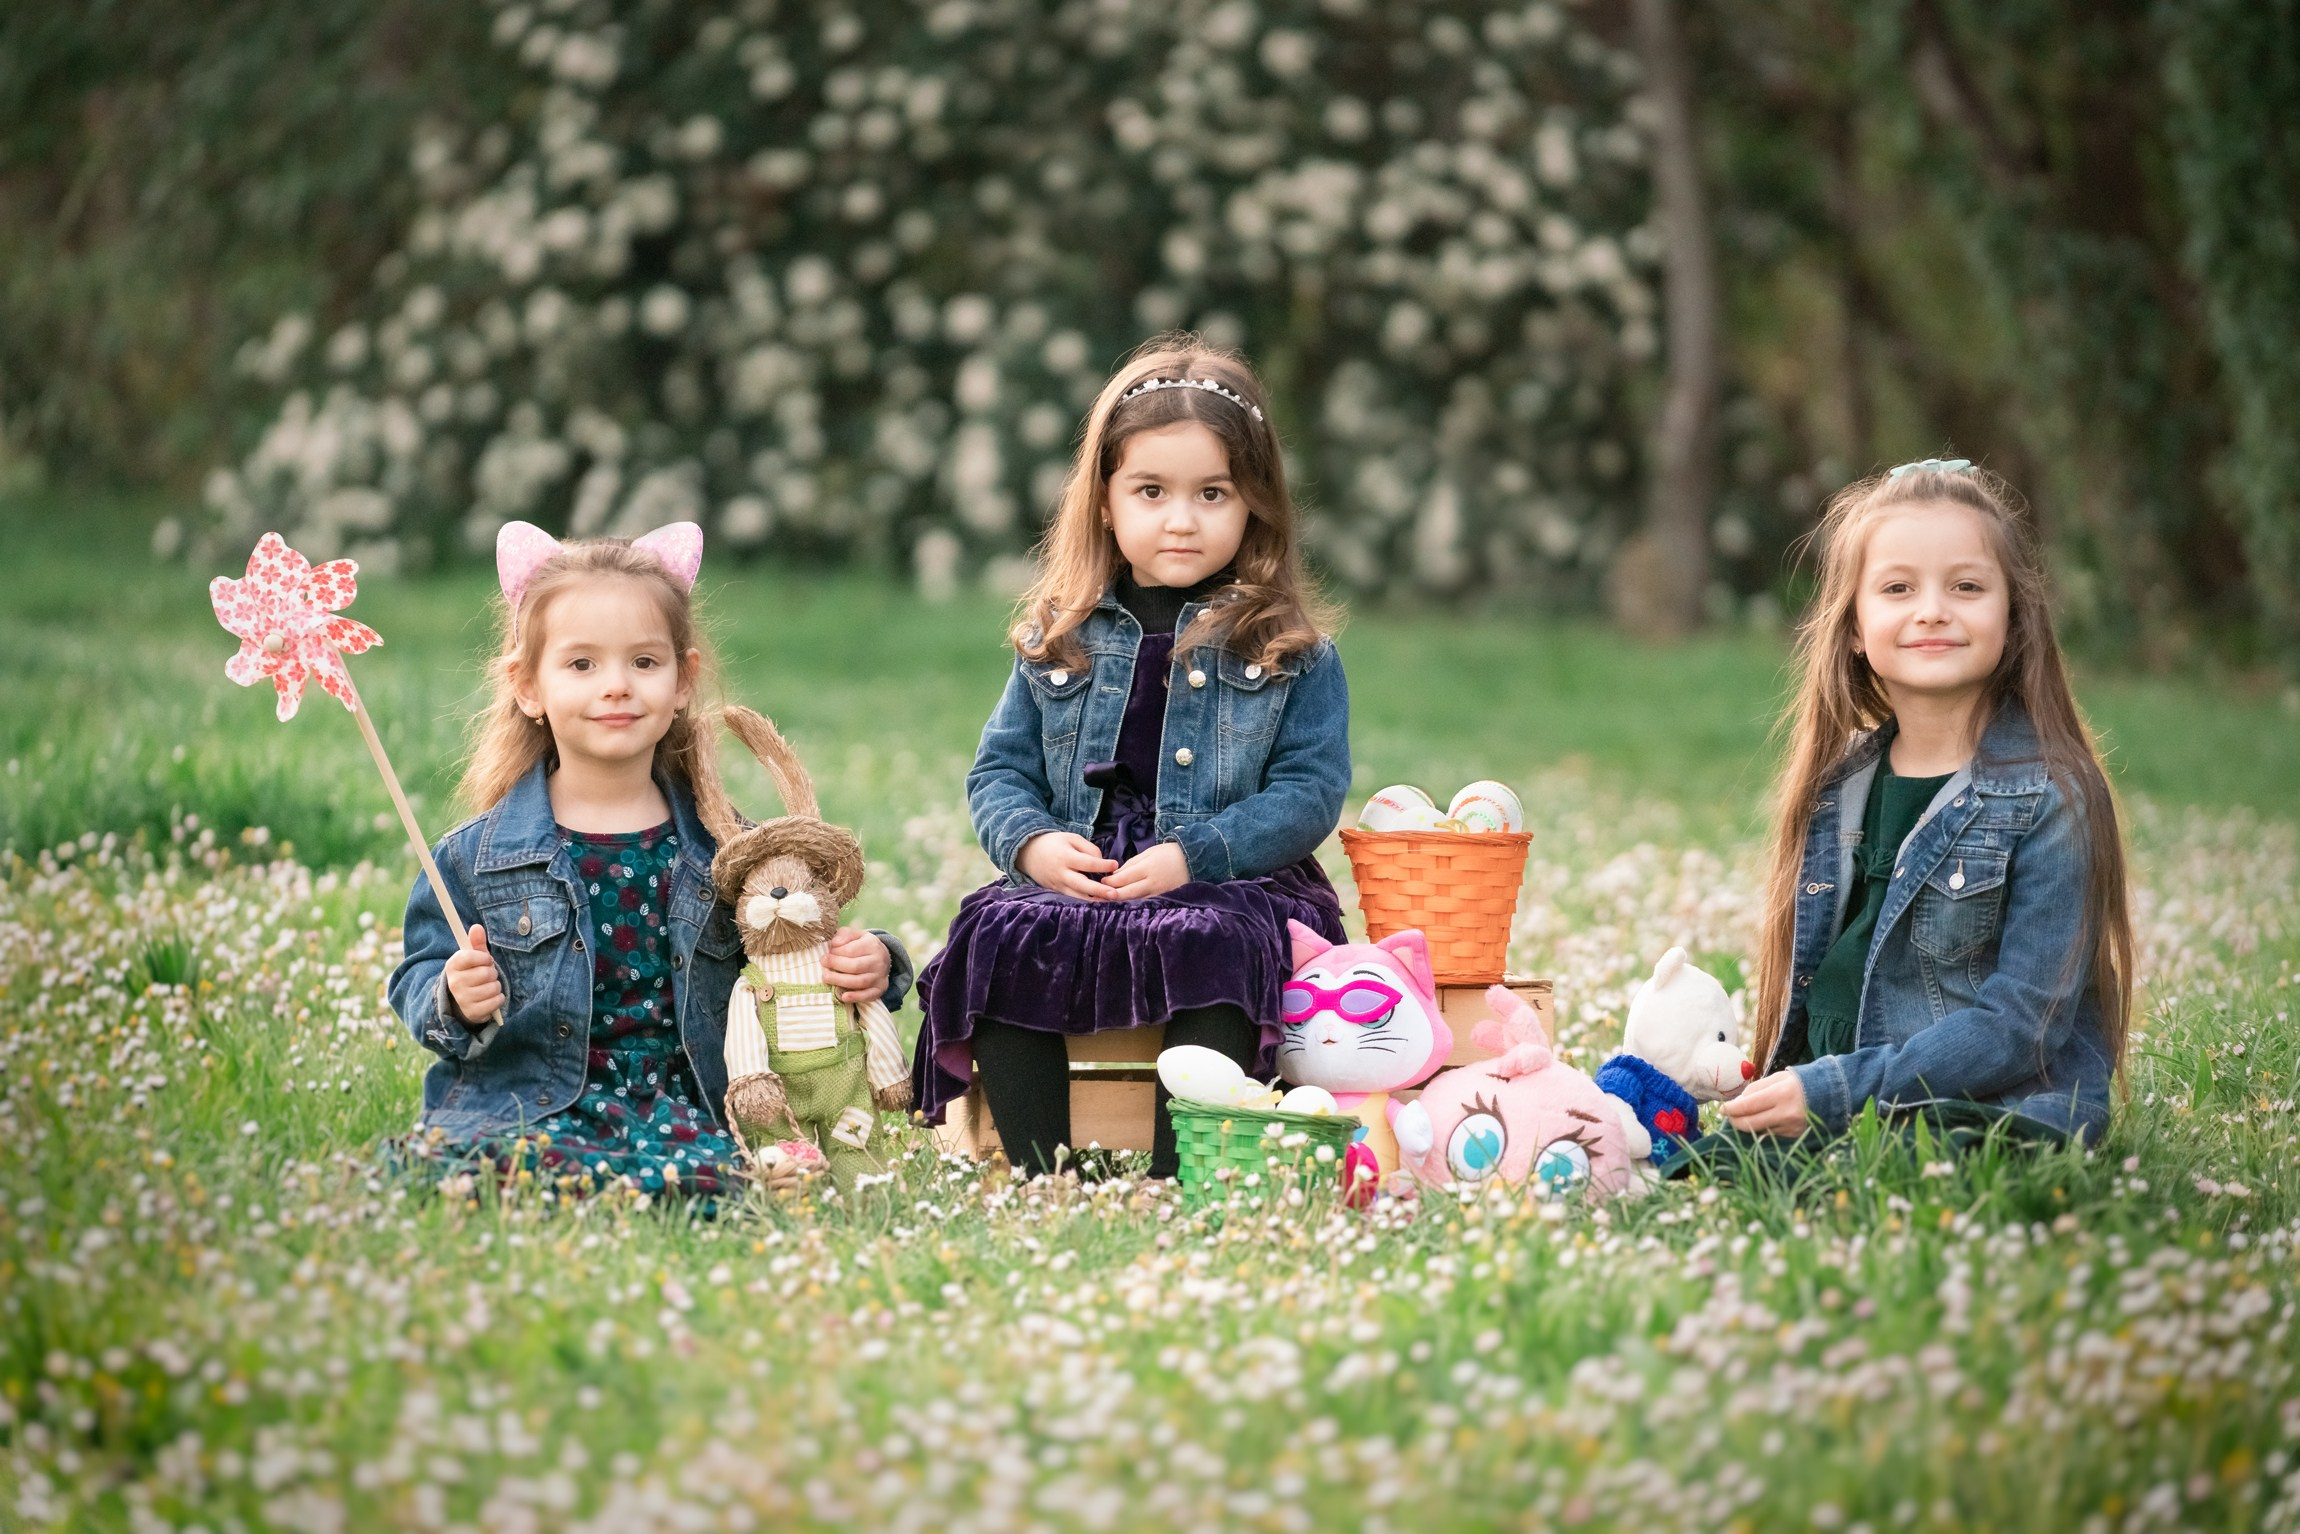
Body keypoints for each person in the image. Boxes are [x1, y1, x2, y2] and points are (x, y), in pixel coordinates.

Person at [913, 335, 1352, 1178]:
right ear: (1106, 502)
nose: (1180, 518)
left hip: (1230, 875)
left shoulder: (1291, 650)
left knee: (1215, 945)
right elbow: (1000, 771)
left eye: (1212, 493)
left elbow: (1308, 793)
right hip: (1084, 864)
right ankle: (1043, 1172)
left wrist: (1199, 855)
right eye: (1152, 490)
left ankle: (1169, 1170)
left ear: (1255, 504)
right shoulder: (1058, 635)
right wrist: (1034, 846)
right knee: (998, 933)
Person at [386, 522, 911, 1202]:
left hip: (689, 1100)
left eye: (643, 662)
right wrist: (452, 997)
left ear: (683, 680)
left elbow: (804, 941)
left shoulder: (733, 854)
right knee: (495, 1165)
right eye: (581, 665)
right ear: (526, 686)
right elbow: (419, 976)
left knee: (712, 1183)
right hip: (535, 1100)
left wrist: (876, 962)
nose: (616, 687)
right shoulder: (476, 857)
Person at [1680, 459, 2133, 1175]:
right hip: (1831, 1091)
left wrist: (1836, 1090)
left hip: (1987, 1106)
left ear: (2014, 618)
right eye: (1897, 588)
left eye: (1967, 586)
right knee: (1677, 1168)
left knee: (1930, 1165)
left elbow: (2021, 1028)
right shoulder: (1839, 784)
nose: (1932, 610)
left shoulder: (2051, 795)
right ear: (1855, 628)